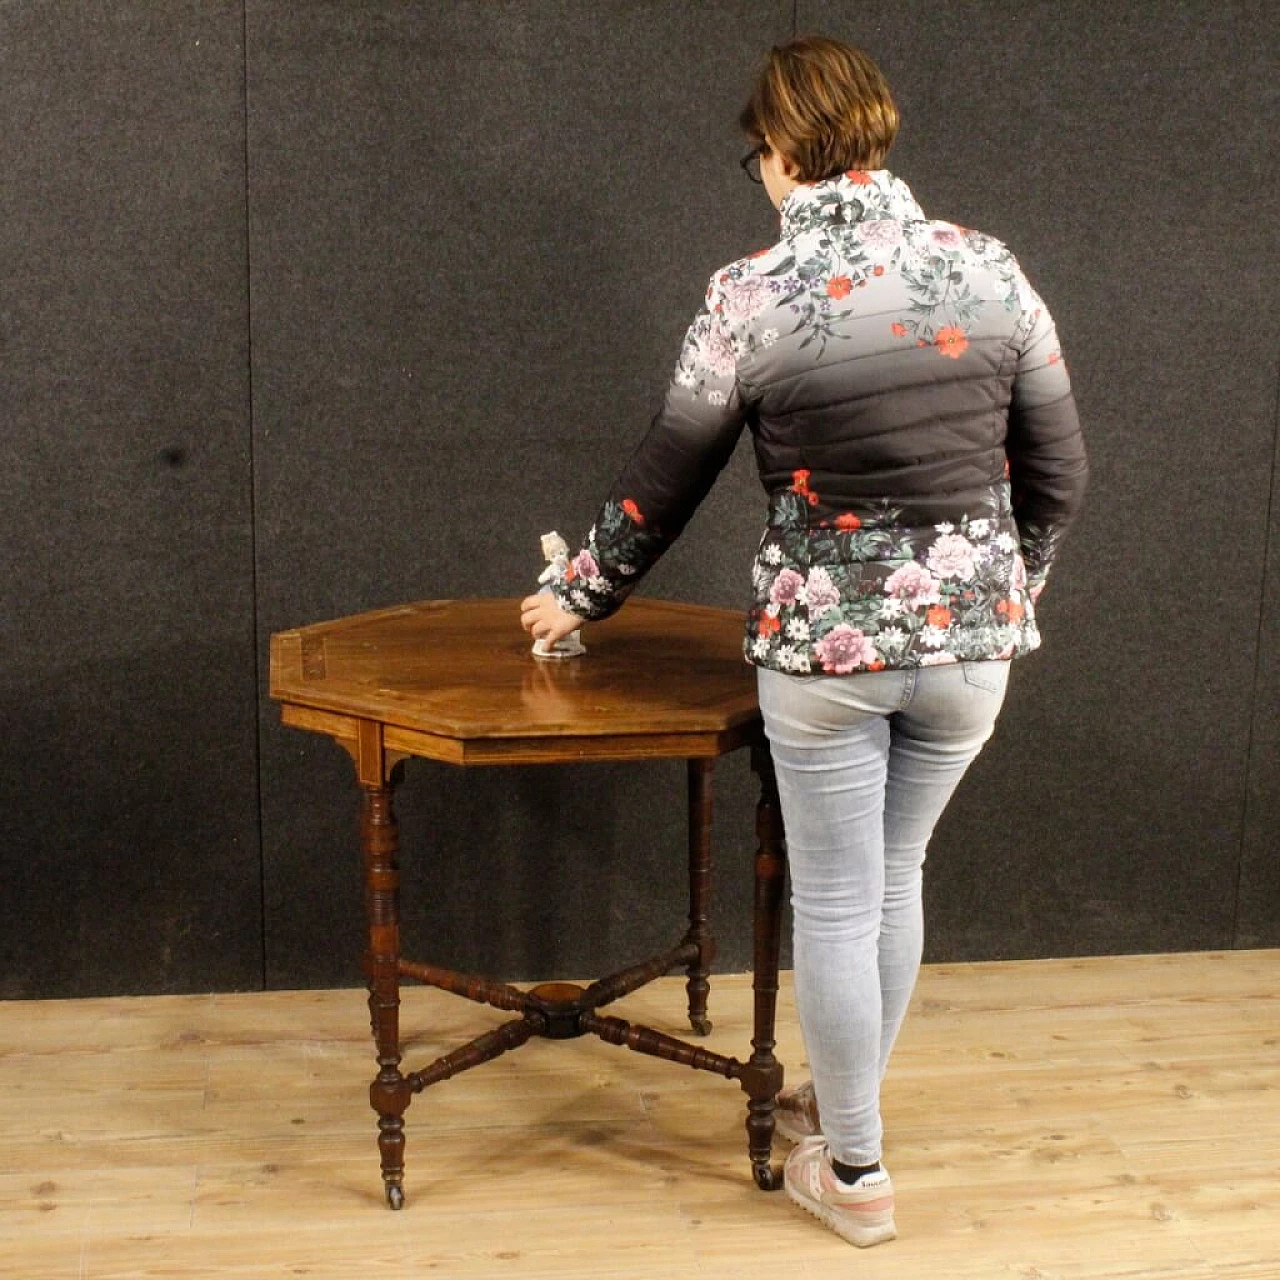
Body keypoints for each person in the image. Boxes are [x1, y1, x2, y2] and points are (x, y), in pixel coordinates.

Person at [520, 35, 1086, 1248]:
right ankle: (836, 1118)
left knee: (835, 902)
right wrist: (998, 588)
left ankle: (859, 1170)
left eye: (755, 158)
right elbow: (1058, 474)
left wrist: (580, 592)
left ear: (778, 154)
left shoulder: (751, 297)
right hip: (970, 648)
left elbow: (660, 483)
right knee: (896, 879)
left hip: (825, 654)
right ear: (871, 137)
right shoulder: (989, 270)